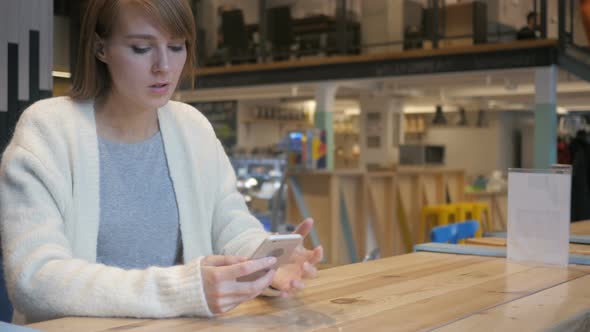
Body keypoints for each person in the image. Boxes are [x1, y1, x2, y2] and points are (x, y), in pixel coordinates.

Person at [0, 0, 322, 325]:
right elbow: (34, 279)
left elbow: (229, 223)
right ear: (100, 48)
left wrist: (264, 262)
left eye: (177, 46)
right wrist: (182, 290)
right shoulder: (48, 130)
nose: (164, 66)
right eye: (141, 48)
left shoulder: (192, 128)